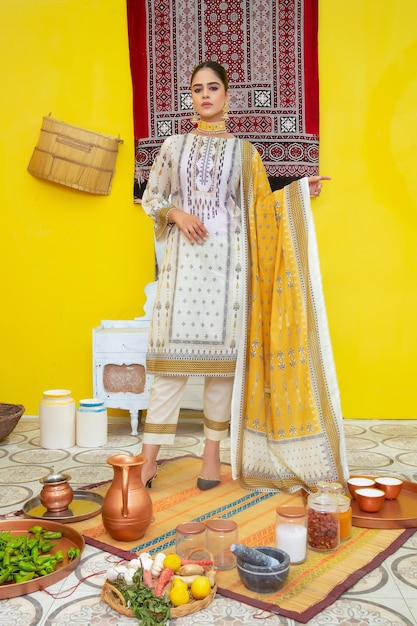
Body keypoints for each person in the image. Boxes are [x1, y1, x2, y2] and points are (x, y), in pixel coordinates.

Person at [139, 60, 349, 493]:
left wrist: (296, 193)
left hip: (229, 274)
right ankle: (147, 460)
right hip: (183, 270)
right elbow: (153, 196)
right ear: (191, 98)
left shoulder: (246, 153)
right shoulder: (174, 146)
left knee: (221, 371)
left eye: (213, 88)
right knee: (168, 369)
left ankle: (212, 457)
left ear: (228, 96)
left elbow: (260, 211)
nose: (205, 95)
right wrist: (176, 213)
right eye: (197, 89)